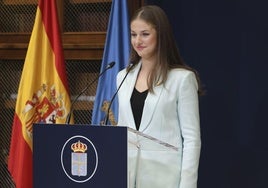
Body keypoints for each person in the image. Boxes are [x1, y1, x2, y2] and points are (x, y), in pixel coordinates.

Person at [116, 5, 203, 188]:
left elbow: (192, 139)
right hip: (126, 176)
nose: (137, 40)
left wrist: (187, 184)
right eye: (133, 34)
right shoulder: (122, 77)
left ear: (160, 35)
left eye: (145, 34)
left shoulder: (182, 79)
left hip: (165, 179)